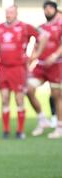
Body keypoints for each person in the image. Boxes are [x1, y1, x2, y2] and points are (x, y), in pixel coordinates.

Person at [0, 5, 48, 140]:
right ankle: (6, 130)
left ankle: (20, 131)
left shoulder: (25, 27)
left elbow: (43, 36)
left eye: (11, 12)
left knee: (19, 98)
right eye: (7, 12)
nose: (8, 15)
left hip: (18, 68)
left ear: (16, 13)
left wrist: (36, 54)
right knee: (4, 98)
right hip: (3, 68)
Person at [27, 1, 62, 139]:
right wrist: (32, 58)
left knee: (56, 95)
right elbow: (36, 46)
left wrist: (54, 56)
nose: (47, 10)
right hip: (41, 65)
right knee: (28, 89)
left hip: (56, 64)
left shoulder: (60, 26)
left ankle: (59, 127)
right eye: (45, 8)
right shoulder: (40, 28)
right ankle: (42, 120)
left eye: (50, 8)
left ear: (55, 10)